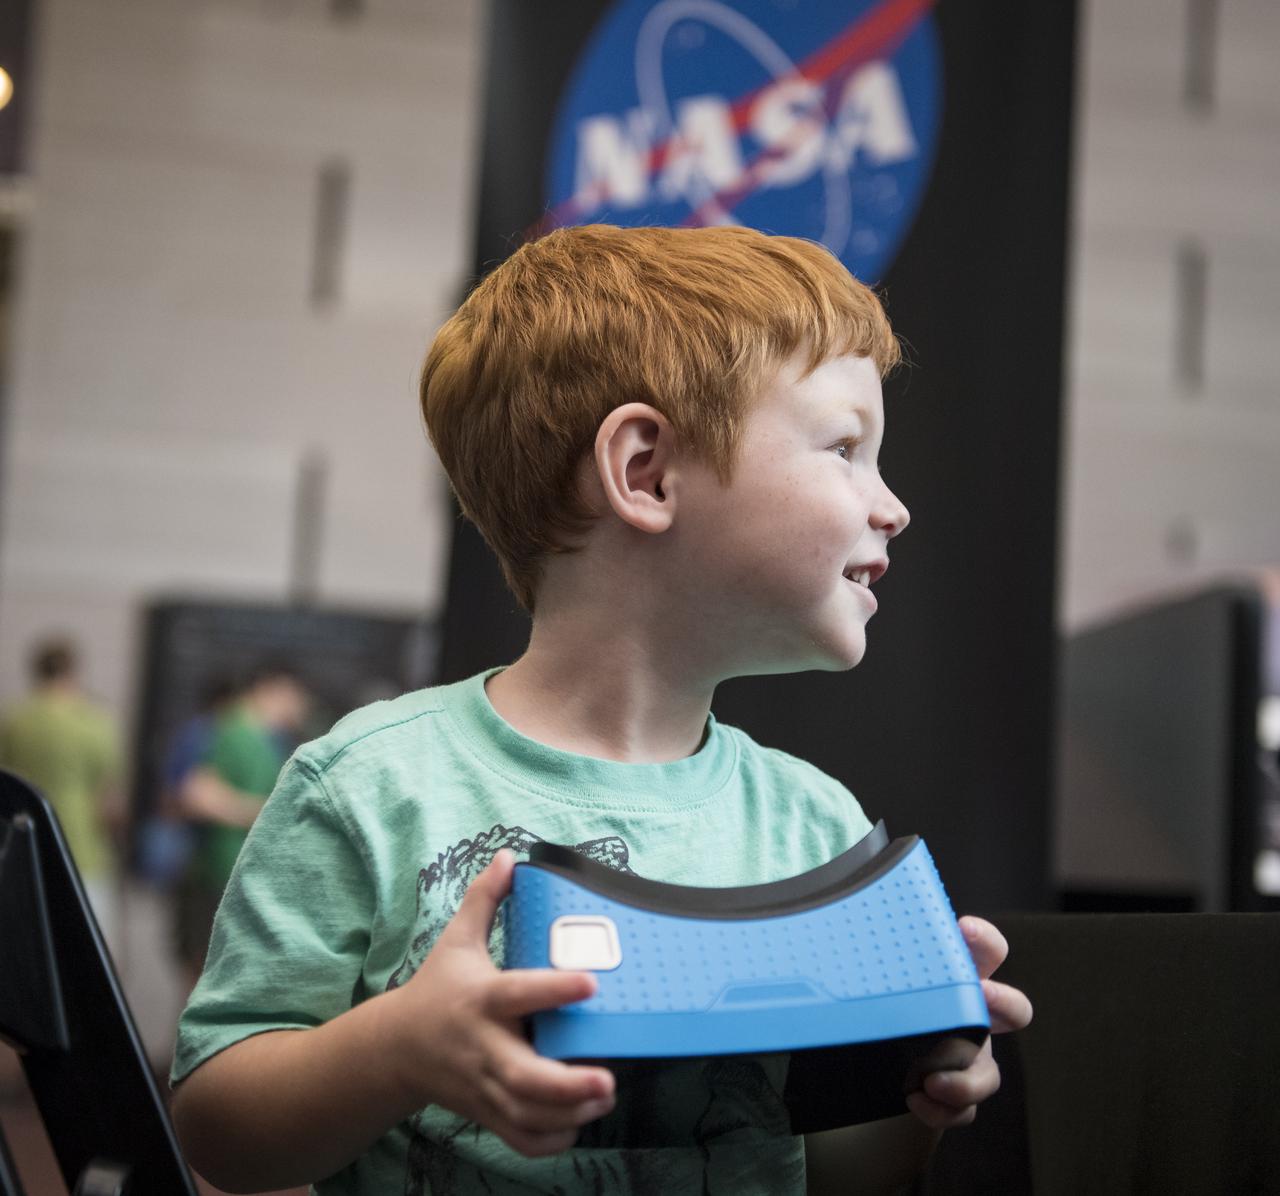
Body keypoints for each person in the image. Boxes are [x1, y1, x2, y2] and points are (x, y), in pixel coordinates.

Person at [170, 224, 1034, 1195]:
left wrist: (918, 1080)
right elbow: (218, 1124)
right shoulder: (368, 785)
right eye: (845, 448)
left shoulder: (818, 828)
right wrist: (400, 1048)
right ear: (645, 471)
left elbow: (840, 1174)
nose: (893, 507)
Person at [172, 662, 310, 985]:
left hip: (240, 872)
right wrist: (266, 813)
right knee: (208, 975)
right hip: (221, 873)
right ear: (275, 688)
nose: (302, 705)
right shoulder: (232, 731)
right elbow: (196, 793)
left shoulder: (268, 738)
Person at [0, 637, 123, 930]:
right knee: (84, 941)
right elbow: (110, 801)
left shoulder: (14, 721)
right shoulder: (96, 721)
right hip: (82, 850)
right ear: (73, 672)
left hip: (24, 850)